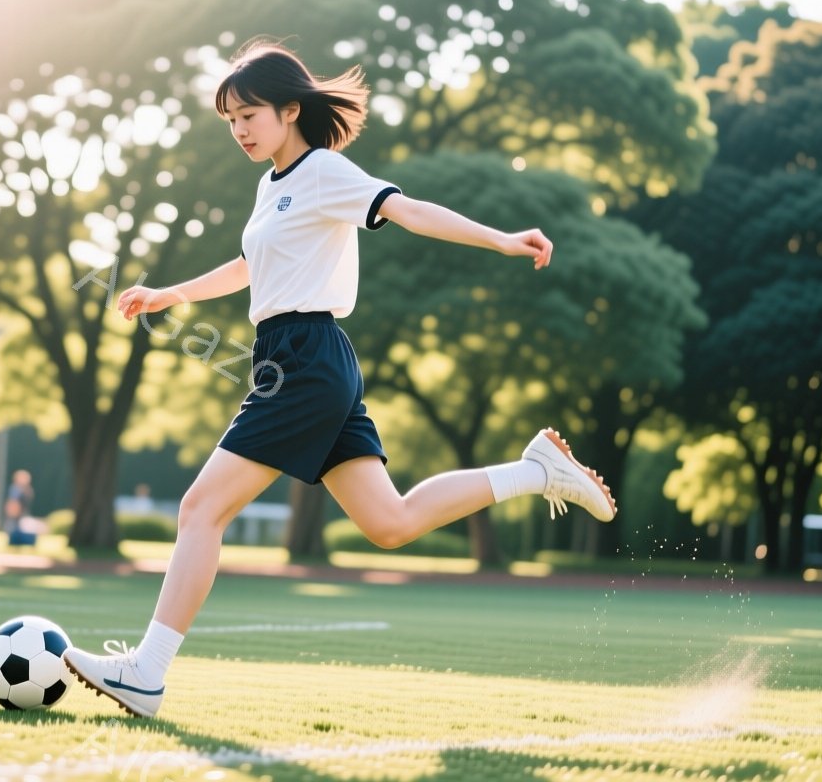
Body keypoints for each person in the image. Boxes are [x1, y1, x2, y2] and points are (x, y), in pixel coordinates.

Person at [63, 41, 617, 718]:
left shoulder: (324, 171)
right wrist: (169, 295)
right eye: (229, 119)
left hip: (306, 358)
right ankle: (536, 473)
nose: (239, 129)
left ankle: (146, 673)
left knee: (199, 510)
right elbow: (249, 267)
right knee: (391, 521)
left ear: (289, 110)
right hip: (303, 356)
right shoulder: (271, 188)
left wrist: (501, 240)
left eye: (249, 114)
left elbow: (408, 209)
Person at [4, 469, 36, 547]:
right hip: (16, 514)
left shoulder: (26, 490)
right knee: (14, 528)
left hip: (22, 513)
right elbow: (13, 502)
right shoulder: (15, 489)